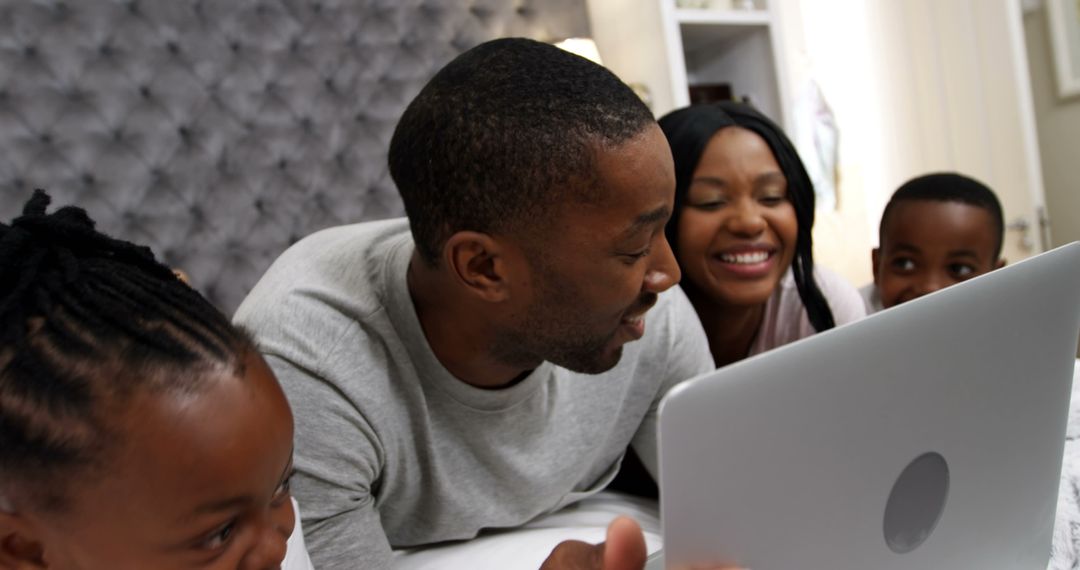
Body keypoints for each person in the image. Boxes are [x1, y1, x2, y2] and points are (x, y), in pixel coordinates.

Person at [233, 38, 722, 569]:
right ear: (483, 268)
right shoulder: (310, 362)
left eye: (662, 229)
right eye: (634, 249)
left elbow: (733, 508)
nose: (669, 274)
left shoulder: (642, 310)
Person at [0, 191, 313, 568]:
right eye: (221, 534)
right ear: (27, 551)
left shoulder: (248, 508)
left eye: (281, 486)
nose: (276, 547)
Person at [658, 102, 865, 368]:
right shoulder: (630, 328)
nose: (749, 223)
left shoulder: (821, 306)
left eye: (771, 197)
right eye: (710, 201)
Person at [861, 172, 1005, 312]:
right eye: (905, 264)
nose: (930, 288)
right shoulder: (849, 320)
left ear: (998, 275)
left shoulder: (1017, 324)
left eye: (959, 269)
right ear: (877, 267)